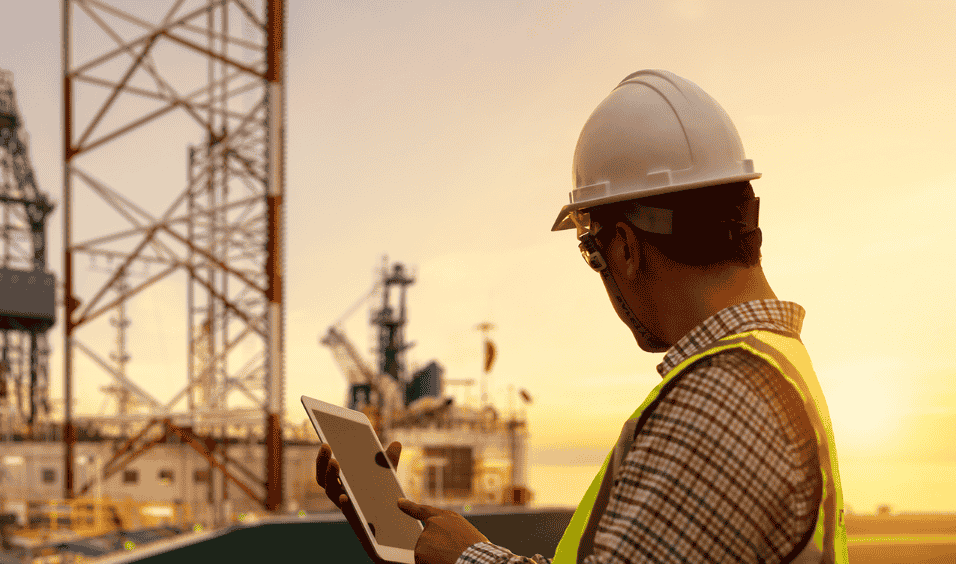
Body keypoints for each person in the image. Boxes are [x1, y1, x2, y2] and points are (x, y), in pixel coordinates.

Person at [317, 69, 849, 564]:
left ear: (625, 246)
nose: (599, 270)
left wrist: (467, 559)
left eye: (590, 250)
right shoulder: (771, 364)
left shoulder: (723, 396)